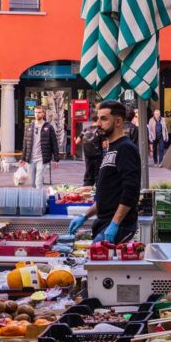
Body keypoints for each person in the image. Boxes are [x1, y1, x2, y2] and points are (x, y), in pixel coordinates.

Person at [68, 100, 141, 244]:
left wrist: (115, 224)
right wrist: (84, 216)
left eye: (104, 119)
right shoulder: (110, 148)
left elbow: (131, 191)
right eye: (98, 118)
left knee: (97, 265)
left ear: (118, 121)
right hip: (103, 223)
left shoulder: (126, 148)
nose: (98, 124)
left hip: (119, 226)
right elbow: (107, 196)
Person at [20, 104, 61, 188]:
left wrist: (56, 159)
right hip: (30, 159)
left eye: (39, 112)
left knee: (38, 182)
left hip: (42, 158)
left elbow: (54, 143)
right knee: (31, 183)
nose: (37, 114)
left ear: (43, 113)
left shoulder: (49, 127)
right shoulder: (29, 127)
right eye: (35, 112)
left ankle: (39, 200)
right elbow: (25, 144)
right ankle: (36, 199)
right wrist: (22, 158)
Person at [76, 116, 103, 186]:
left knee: (88, 177)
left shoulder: (85, 129)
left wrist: (85, 143)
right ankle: (98, 192)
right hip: (98, 157)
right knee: (98, 176)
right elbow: (105, 145)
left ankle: (85, 191)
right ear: (98, 120)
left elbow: (77, 141)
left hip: (88, 156)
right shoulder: (100, 130)